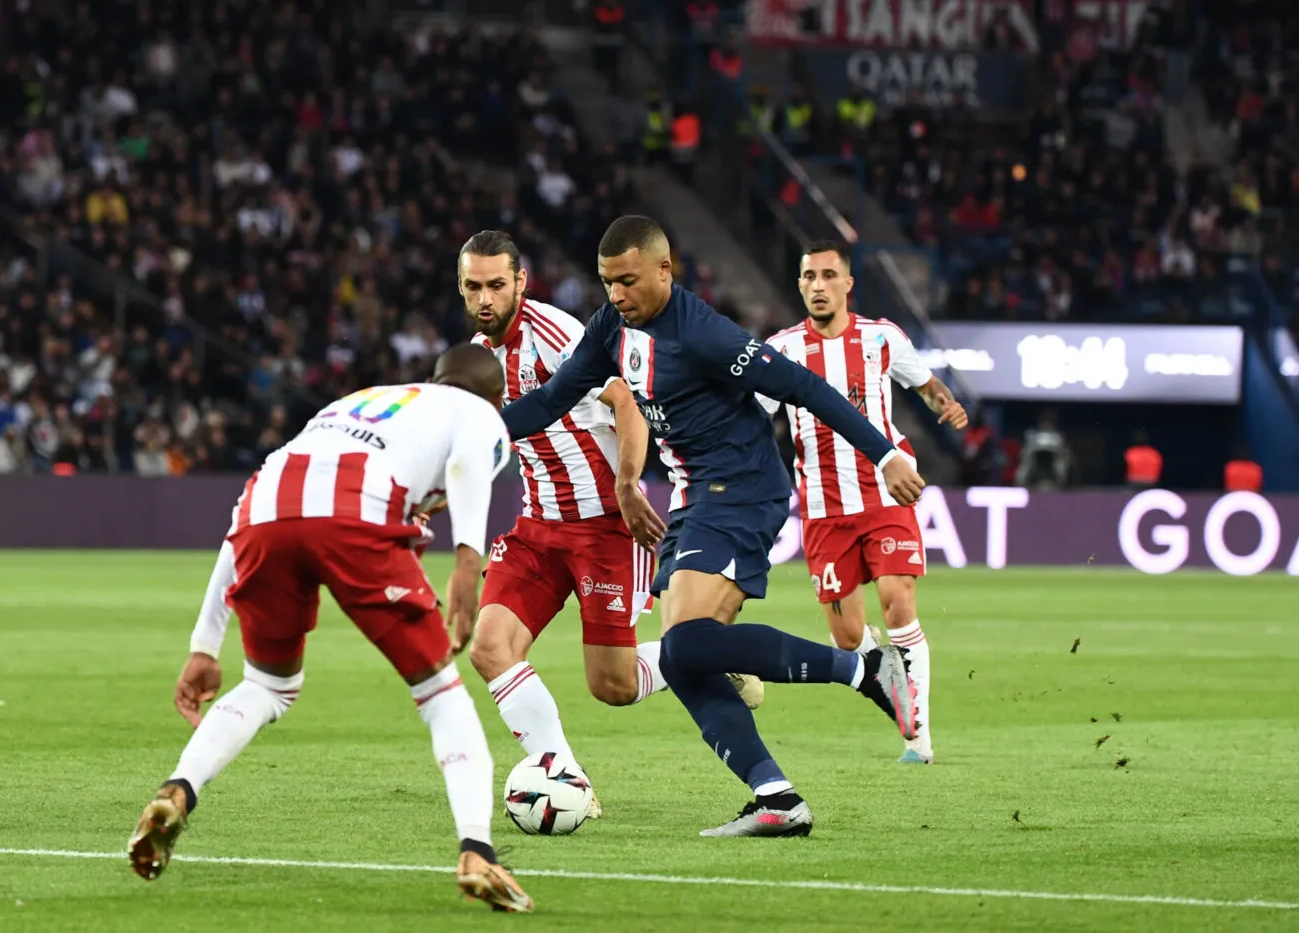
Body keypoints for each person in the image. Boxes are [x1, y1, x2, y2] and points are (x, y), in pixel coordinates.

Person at [500, 216, 925, 837]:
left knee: (688, 645)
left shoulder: (703, 333)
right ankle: (776, 796)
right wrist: (472, 430)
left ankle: (867, 670)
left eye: (627, 281)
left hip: (745, 489)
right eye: (606, 282)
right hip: (697, 498)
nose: (616, 294)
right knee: (683, 660)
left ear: (664, 270)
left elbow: (804, 386)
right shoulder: (610, 328)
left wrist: (884, 453)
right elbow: (548, 402)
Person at [127, 345, 534, 914]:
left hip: (266, 504)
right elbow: (469, 458)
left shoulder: (362, 402)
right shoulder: (479, 412)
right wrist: (468, 559)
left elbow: (243, 516)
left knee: (268, 685)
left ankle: (178, 791)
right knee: (440, 694)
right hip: (355, 507)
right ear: (496, 398)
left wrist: (204, 644)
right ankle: (477, 850)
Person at [458, 231, 668, 820]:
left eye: (497, 285)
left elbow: (627, 404)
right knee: (490, 648)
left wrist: (628, 485)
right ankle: (565, 777)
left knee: (614, 687)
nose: (486, 299)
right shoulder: (476, 360)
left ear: (520, 282)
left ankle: (694, 655)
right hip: (536, 530)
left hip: (604, 526)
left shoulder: (556, 333)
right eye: (474, 287)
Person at [761, 241, 968, 765]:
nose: (818, 285)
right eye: (809, 276)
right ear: (800, 284)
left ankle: (916, 737)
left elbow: (923, 382)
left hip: (885, 491)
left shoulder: (881, 337)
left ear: (847, 284)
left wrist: (945, 403)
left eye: (829, 275)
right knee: (848, 635)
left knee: (899, 602)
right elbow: (753, 413)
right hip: (824, 509)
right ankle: (887, 670)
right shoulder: (781, 350)